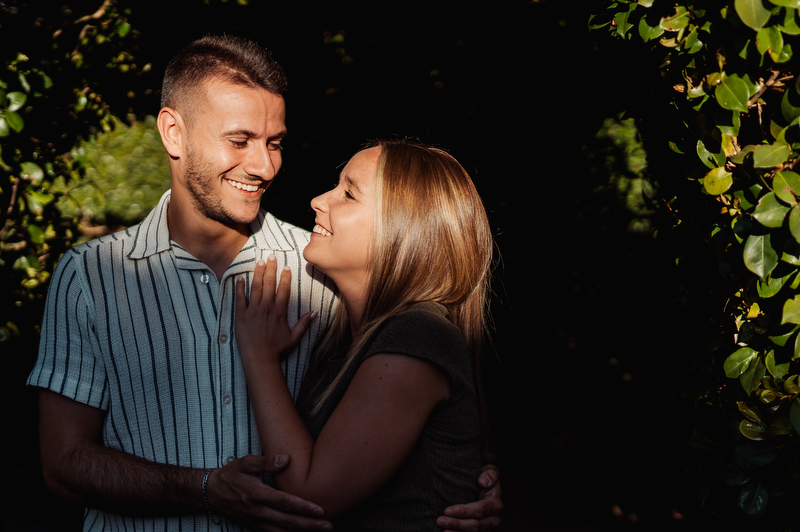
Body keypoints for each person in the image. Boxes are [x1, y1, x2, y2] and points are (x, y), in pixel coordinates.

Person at [26, 34, 501, 531]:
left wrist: (465, 478)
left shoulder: (324, 270)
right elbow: (62, 463)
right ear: (173, 133)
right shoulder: (91, 275)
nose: (265, 166)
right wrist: (203, 489)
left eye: (274, 143)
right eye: (239, 141)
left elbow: (411, 410)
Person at [234, 139, 493, 530]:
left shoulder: (417, 336)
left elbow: (309, 498)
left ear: (404, 229)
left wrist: (259, 358)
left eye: (349, 194)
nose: (318, 201)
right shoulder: (346, 342)